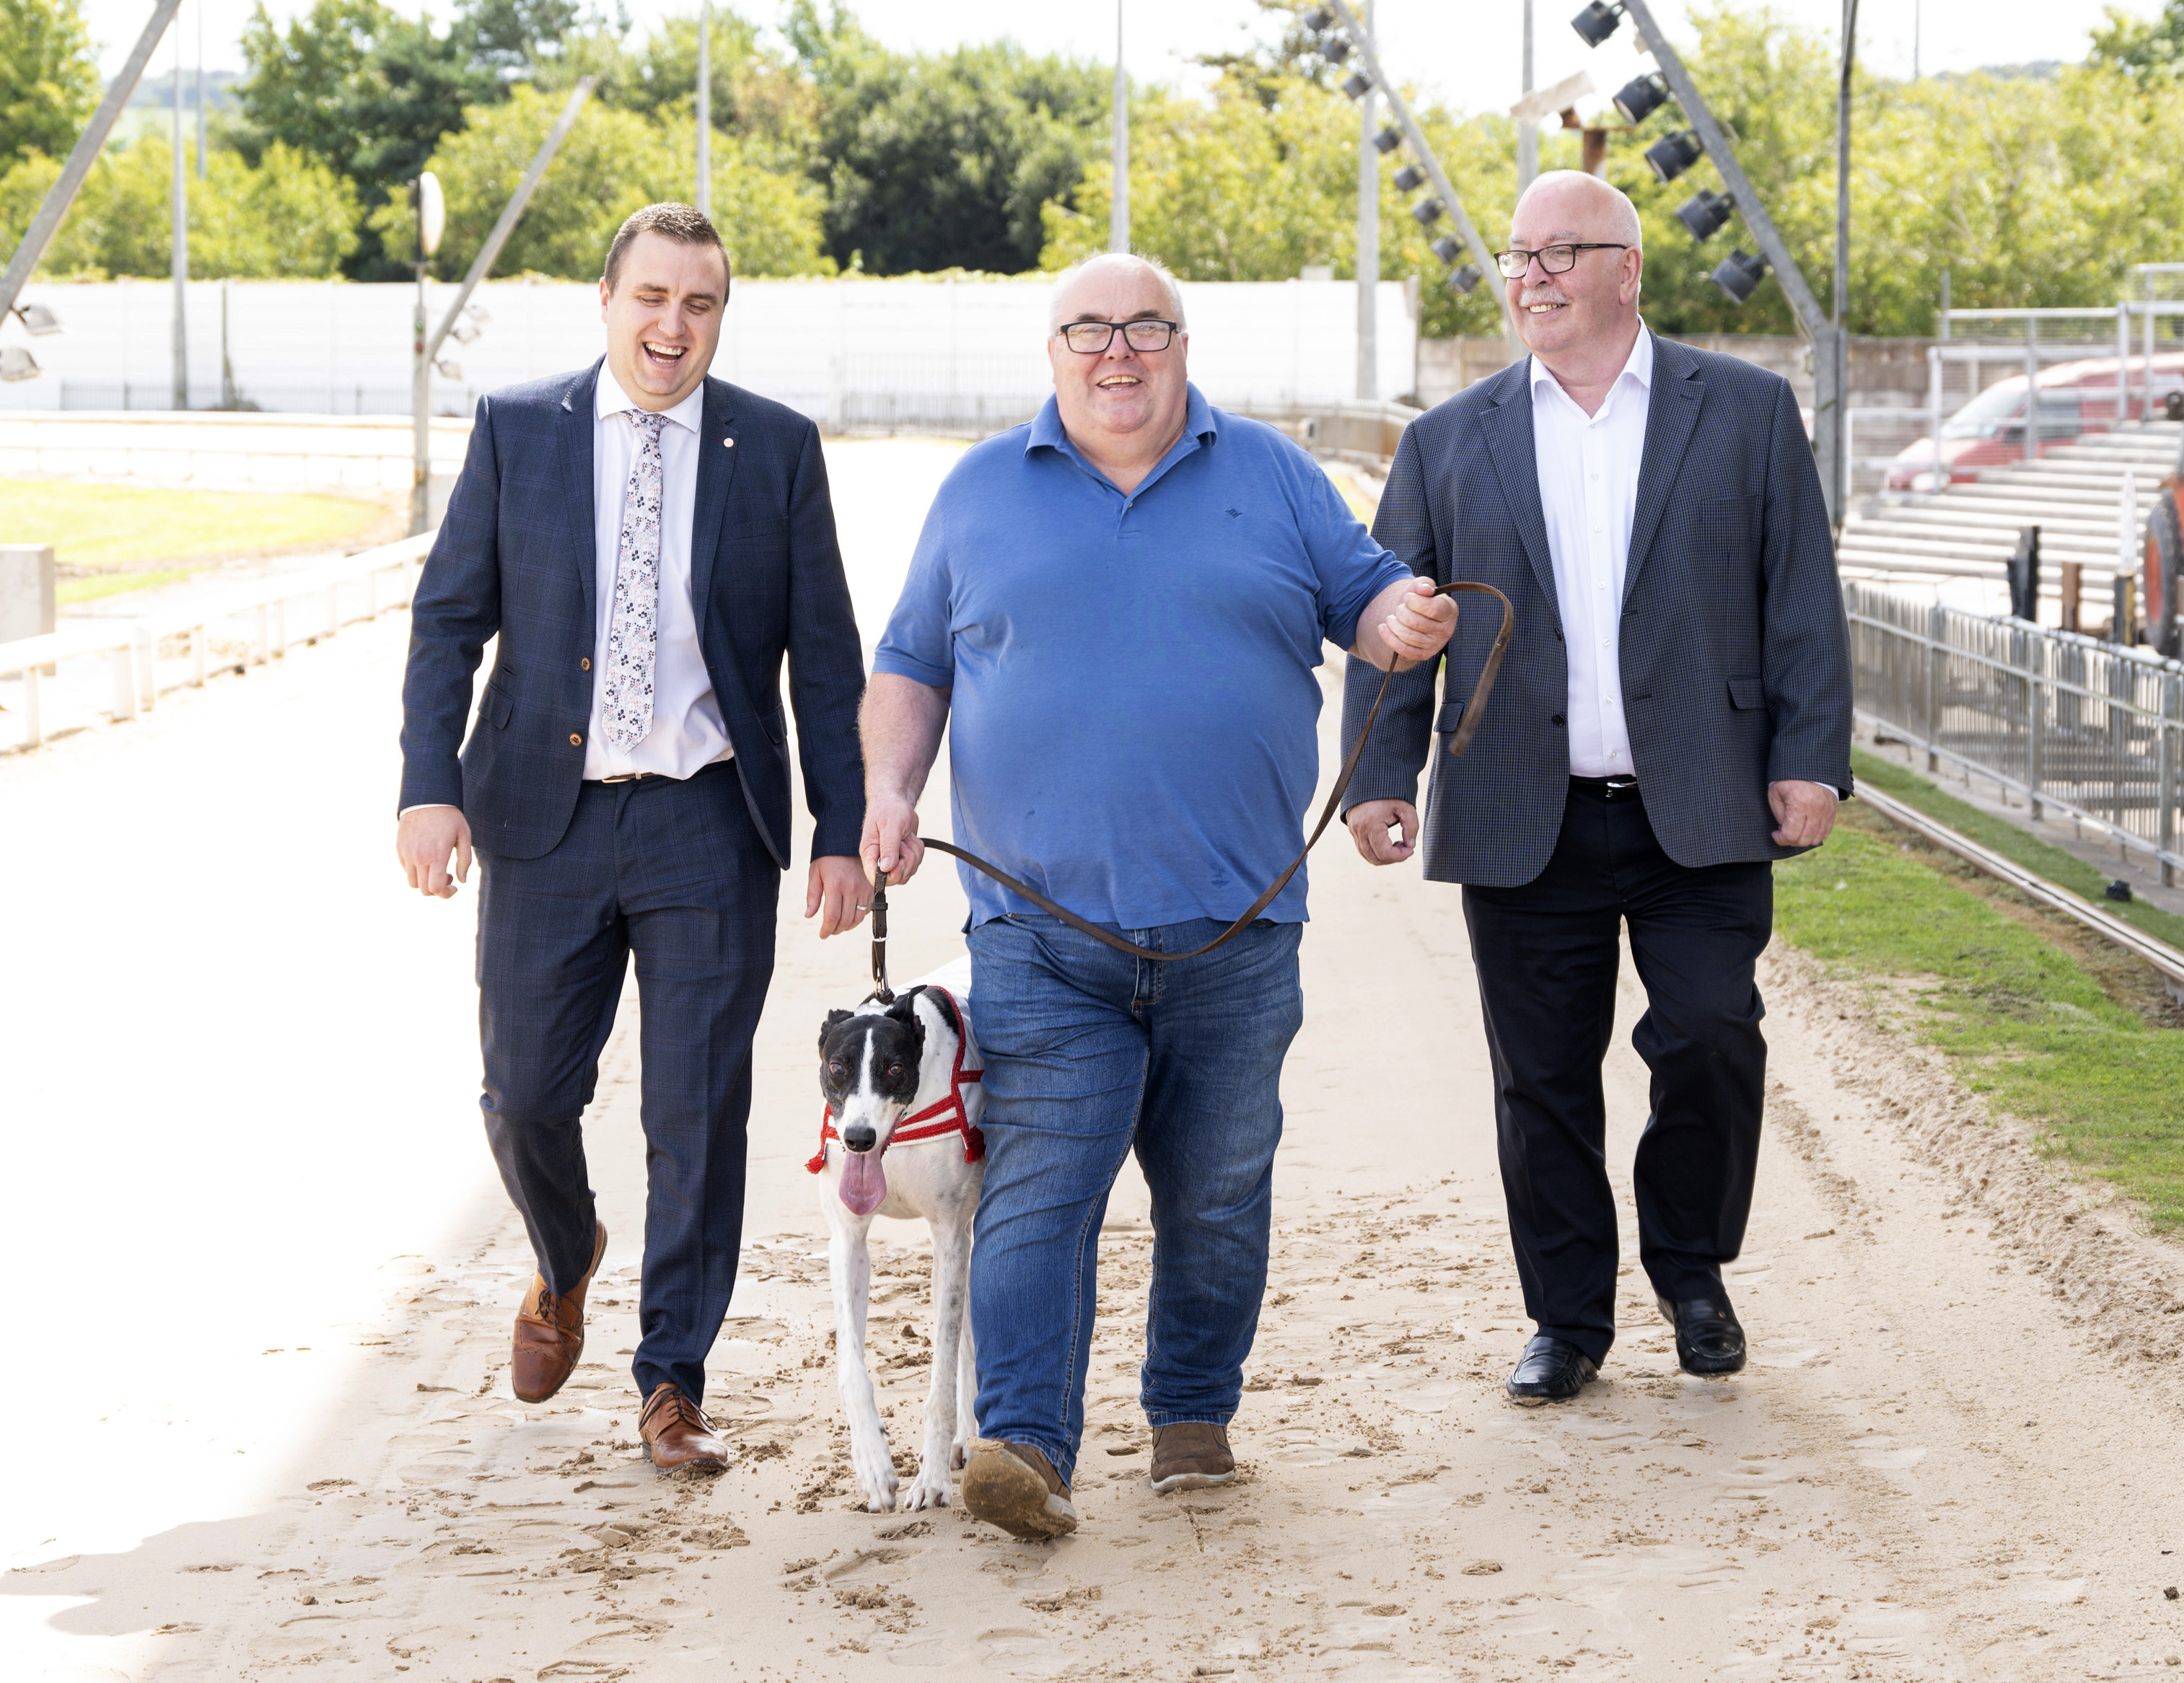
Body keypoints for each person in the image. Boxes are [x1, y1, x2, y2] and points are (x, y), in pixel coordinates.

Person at [860, 252, 1457, 1539]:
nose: (1116, 352)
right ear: (1054, 349)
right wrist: (891, 791)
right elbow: (911, 659)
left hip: (1236, 927)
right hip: (1038, 930)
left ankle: (1191, 1415)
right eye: (1089, 329)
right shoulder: (977, 493)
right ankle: (1025, 1441)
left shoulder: (1277, 478)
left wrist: (1404, 616)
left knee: (1219, 1189)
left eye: (1145, 328)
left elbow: (1367, 606)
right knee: (1040, 1186)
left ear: (1185, 343)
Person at [1340, 172, 1851, 1405]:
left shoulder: (1741, 411)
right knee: (1542, 1076)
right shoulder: (1446, 440)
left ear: (1629, 267)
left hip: (1702, 802)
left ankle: (1691, 1269)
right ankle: (1566, 1320)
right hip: (1525, 809)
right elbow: (1401, 617)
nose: (1534, 274)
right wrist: (1378, 770)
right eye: (1519, 256)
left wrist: (1809, 756)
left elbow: (1801, 602)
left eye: (1562, 251)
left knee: (1713, 1036)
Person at [395, 203, 869, 1472]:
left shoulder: (773, 447)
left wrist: (839, 826)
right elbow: (448, 624)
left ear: (721, 315)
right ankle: (566, 1253)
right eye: (651, 298)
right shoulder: (517, 431)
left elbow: (826, 656)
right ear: (605, 299)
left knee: (697, 1111)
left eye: (699, 304)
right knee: (526, 1095)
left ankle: (674, 1381)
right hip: (542, 821)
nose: (673, 326)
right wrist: (425, 786)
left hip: (709, 822)